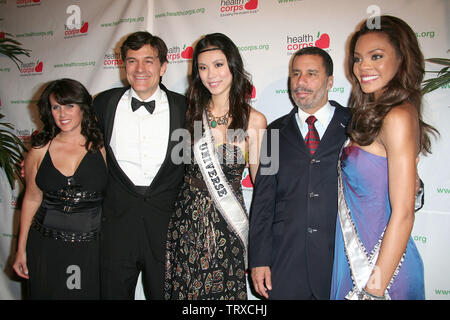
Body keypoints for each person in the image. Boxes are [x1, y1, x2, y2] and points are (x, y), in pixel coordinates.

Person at [330, 15, 437, 300]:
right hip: (352, 263)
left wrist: (373, 291)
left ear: (402, 59)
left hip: (382, 275)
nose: (364, 66)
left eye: (376, 56)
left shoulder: (398, 116)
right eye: (358, 58)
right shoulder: (373, 114)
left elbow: (403, 213)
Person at [165, 33, 267, 300]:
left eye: (219, 65)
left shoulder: (254, 121)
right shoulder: (187, 114)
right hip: (185, 222)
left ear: (233, 67)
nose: (211, 74)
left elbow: (265, 185)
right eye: (203, 67)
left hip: (227, 224)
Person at [249, 47, 351, 300]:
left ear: (329, 82)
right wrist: (259, 259)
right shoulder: (273, 132)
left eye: (311, 74)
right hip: (285, 264)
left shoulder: (356, 126)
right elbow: (263, 200)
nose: (300, 82)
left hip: (342, 262)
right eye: (295, 74)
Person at [92, 31, 187, 300]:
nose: (140, 69)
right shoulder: (103, 103)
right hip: (116, 226)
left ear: (163, 66)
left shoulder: (185, 107)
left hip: (167, 228)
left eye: (149, 60)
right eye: (132, 61)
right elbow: (78, 145)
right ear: (123, 66)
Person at [13, 78, 107, 299]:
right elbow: (32, 199)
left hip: (89, 249)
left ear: (83, 107)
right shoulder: (39, 150)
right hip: (46, 245)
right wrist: (20, 249)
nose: (62, 114)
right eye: (56, 107)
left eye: (69, 106)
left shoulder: (102, 146)